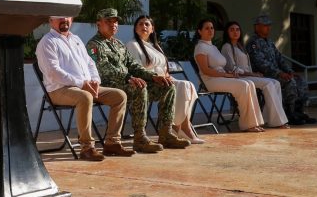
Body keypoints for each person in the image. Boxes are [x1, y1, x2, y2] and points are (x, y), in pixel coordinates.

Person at [86, 9, 190, 153]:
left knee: (167, 86)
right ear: (99, 24)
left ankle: (165, 133)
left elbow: (133, 65)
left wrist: (153, 76)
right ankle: (140, 138)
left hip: (126, 82)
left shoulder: (118, 44)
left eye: (115, 21)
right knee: (139, 87)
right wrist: (129, 78)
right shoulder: (94, 45)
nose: (113, 24)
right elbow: (104, 69)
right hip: (108, 85)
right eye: (108, 21)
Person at [36, 15, 134, 161]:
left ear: (71, 19)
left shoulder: (76, 39)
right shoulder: (47, 42)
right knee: (85, 97)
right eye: (59, 17)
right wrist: (82, 84)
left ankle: (112, 143)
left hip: (85, 86)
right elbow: (53, 72)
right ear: (50, 20)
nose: (64, 19)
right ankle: (87, 148)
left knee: (119, 96)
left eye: (67, 16)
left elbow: (90, 62)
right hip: (58, 90)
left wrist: (95, 81)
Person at [126, 15, 205, 144]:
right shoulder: (132, 45)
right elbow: (136, 69)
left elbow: (164, 67)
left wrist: (166, 75)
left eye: (147, 24)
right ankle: (180, 127)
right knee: (181, 85)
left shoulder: (155, 46)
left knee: (188, 85)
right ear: (135, 29)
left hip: (163, 79)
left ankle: (180, 126)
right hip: (148, 82)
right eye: (140, 24)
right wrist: (157, 76)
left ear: (152, 29)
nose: (143, 26)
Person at [193, 19, 265, 132]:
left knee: (250, 83)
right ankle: (248, 124)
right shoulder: (200, 47)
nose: (210, 30)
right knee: (243, 85)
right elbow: (206, 70)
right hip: (210, 80)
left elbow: (221, 66)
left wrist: (228, 74)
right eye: (206, 28)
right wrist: (226, 75)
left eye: (212, 28)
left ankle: (255, 122)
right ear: (199, 31)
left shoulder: (213, 47)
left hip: (221, 77)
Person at [246, 15, 317, 125]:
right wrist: (280, 73)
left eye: (269, 25)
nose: (268, 28)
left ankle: (299, 112)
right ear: (257, 27)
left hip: (277, 74)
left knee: (300, 80)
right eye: (265, 25)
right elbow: (261, 63)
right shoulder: (253, 43)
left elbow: (280, 59)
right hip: (264, 75)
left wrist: (289, 71)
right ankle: (289, 114)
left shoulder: (269, 42)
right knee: (289, 82)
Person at [221, 21, 289, 128]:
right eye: (232, 30)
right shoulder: (227, 47)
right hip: (240, 78)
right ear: (227, 32)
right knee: (268, 84)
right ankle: (278, 122)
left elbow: (247, 65)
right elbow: (231, 68)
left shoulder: (240, 46)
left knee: (275, 83)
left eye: (237, 29)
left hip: (248, 76)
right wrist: (252, 74)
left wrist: (254, 74)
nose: (235, 32)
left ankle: (268, 118)